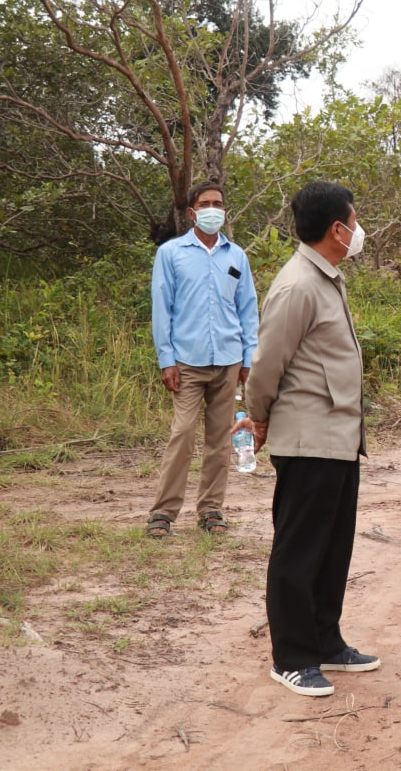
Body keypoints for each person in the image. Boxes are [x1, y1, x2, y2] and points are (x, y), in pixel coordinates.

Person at [235, 180, 380, 697]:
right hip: (307, 439)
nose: (359, 231)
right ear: (337, 229)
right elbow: (266, 363)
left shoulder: (326, 277)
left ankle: (325, 642)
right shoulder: (297, 284)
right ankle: (292, 656)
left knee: (332, 547)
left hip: (338, 438)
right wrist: (259, 417)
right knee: (299, 551)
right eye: (355, 221)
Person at [146, 180, 259, 539]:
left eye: (219, 204)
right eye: (207, 203)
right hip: (187, 362)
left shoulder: (235, 256)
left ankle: (211, 510)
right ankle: (163, 512)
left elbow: (248, 309)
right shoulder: (171, 253)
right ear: (193, 211)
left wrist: (248, 358)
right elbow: (162, 309)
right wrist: (167, 360)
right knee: (181, 434)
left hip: (228, 360)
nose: (214, 209)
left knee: (221, 439)